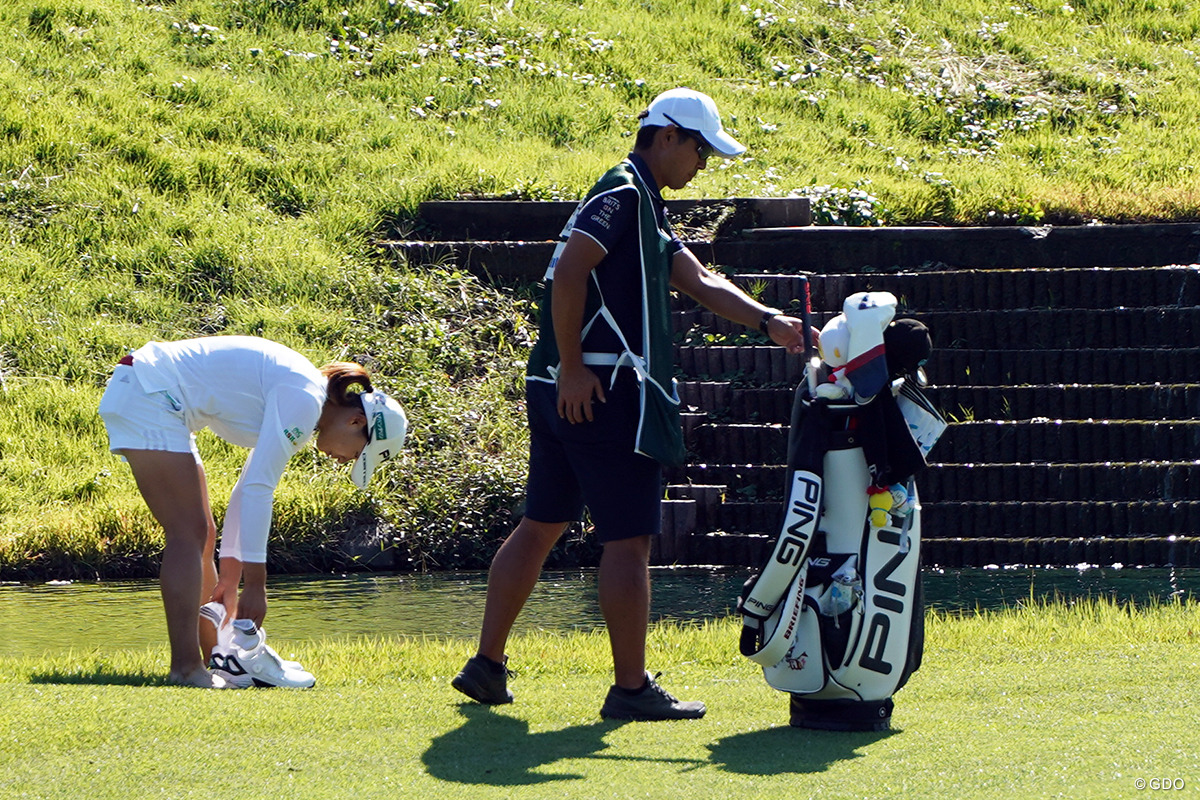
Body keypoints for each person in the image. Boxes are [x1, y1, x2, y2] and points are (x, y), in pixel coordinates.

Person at [452, 88, 811, 720]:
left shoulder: (643, 202)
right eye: (700, 149)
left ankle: (487, 665)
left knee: (541, 525)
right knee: (629, 540)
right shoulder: (622, 195)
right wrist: (572, 367)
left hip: (566, 387)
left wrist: (769, 322)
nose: (702, 165)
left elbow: (697, 279)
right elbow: (569, 271)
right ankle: (631, 688)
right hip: (598, 390)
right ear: (667, 136)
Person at [98, 335, 407, 687]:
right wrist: (256, 586)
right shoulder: (305, 400)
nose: (345, 461)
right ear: (355, 423)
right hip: (150, 393)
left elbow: (245, 489)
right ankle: (185, 669)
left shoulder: (305, 397)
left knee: (202, 536)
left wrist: (231, 577)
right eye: (356, 455)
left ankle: (221, 659)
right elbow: (260, 489)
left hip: (154, 392)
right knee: (188, 533)